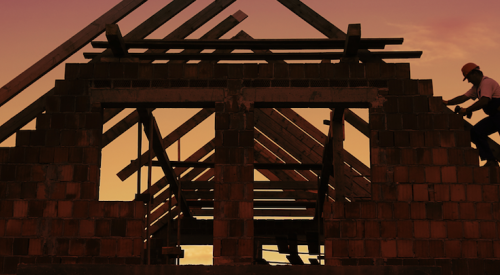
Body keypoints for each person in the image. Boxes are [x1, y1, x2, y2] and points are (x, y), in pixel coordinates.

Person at [443, 63, 500, 167]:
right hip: (495, 117)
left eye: (468, 77)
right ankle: (491, 161)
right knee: (476, 132)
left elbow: (484, 101)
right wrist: (446, 102)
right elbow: (463, 98)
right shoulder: (476, 88)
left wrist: (467, 110)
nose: (468, 81)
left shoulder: (486, 83)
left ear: (474, 73)